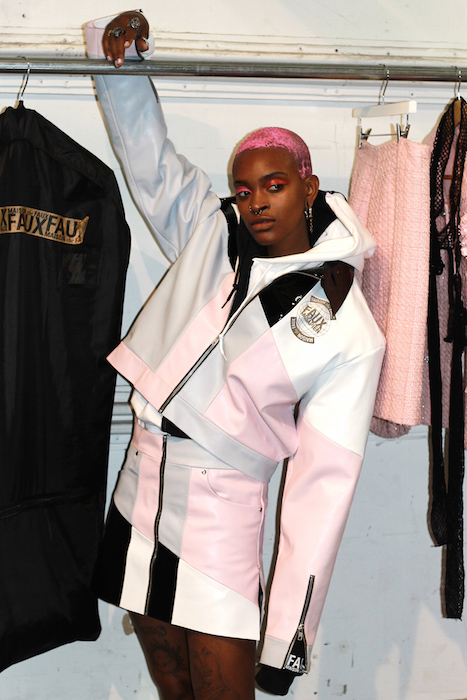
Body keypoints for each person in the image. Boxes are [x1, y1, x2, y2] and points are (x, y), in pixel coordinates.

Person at [85, 11, 386, 699]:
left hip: (220, 503)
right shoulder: (212, 229)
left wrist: (286, 639)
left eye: (274, 186)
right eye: (244, 190)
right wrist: (122, 66)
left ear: (309, 186)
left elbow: (321, 491)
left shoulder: (346, 323)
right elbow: (151, 166)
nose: (255, 203)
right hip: (141, 478)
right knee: (169, 676)